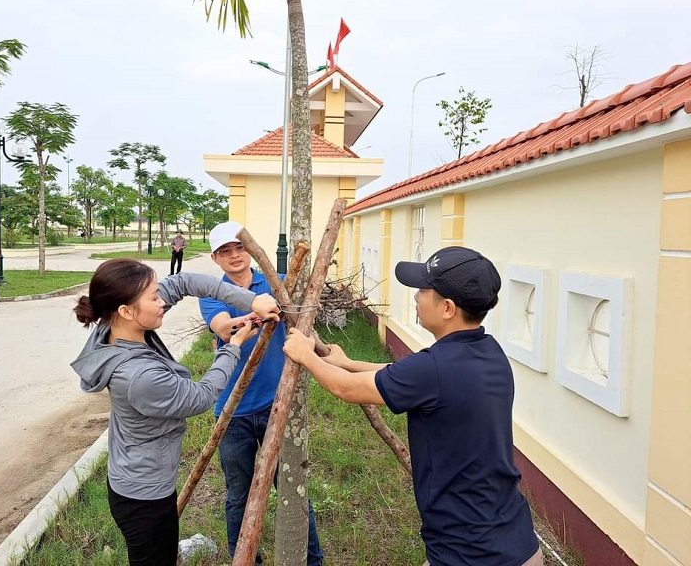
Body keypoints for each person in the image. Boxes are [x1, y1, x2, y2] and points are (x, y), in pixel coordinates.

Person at [283, 246, 543, 566]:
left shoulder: (434, 369)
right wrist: (349, 362)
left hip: (470, 552)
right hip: (517, 540)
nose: (416, 297)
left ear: (447, 308)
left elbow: (346, 389)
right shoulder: (487, 352)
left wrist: (305, 354)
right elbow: (403, 376)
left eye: (422, 290)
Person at [71, 258, 280, 565]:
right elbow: (201, 396)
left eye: (158, 294)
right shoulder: (139, 376)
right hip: (144, 496)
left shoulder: (114, 326)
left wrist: (251, 300)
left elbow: (183, 283)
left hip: (140, 480)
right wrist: (232, 346)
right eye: (154, 299)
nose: (162, 303)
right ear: (126, 311)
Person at [198, 221, 324, 565]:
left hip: (275, 405)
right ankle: (245, 559)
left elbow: (294, 318)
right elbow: (224, 329)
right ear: (215, 258)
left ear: (249, 251)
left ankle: (312, 559)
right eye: (225, 251)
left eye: (239, 248)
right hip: (233, 409)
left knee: (292, 488)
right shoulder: (212, 292)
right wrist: (256, 316)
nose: (234, 256)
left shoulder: (272, 284)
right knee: (239, 495)